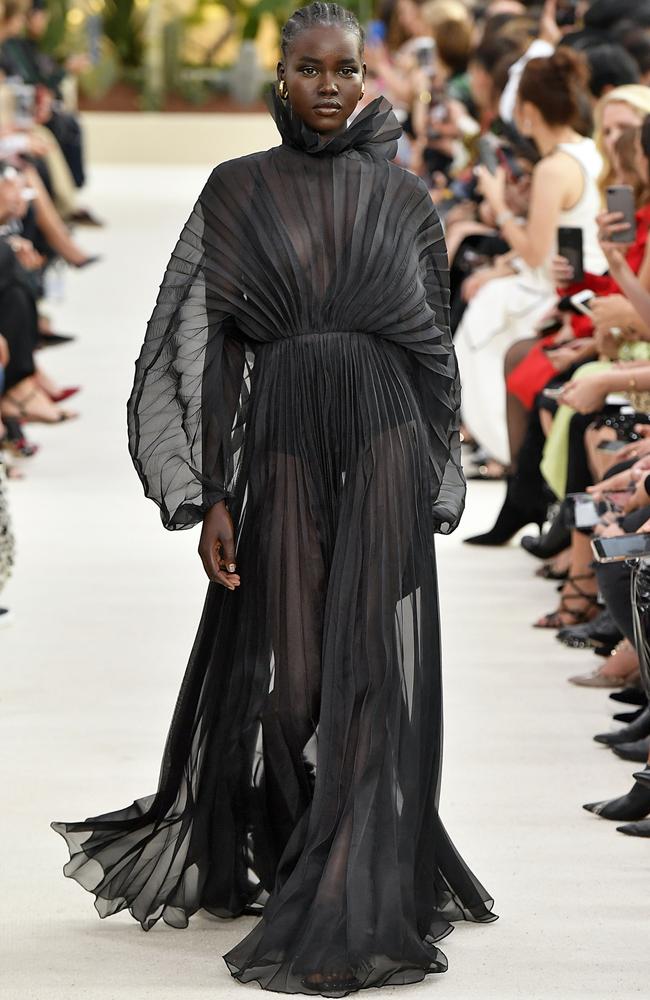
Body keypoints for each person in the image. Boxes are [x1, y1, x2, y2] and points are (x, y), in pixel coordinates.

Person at [50, 3, 496, 994]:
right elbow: (205, 358)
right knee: (293, 676)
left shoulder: (402, 194)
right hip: (284, 437)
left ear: (363, 78)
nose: (329, 85)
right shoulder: (237, 189)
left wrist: (434, 457)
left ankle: (350, 870)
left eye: (344, 69)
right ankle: (298, 837)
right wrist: (212, 492)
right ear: (279, 78)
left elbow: (429, 347)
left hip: (381, 431)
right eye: (309, 68)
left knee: (367, 659)